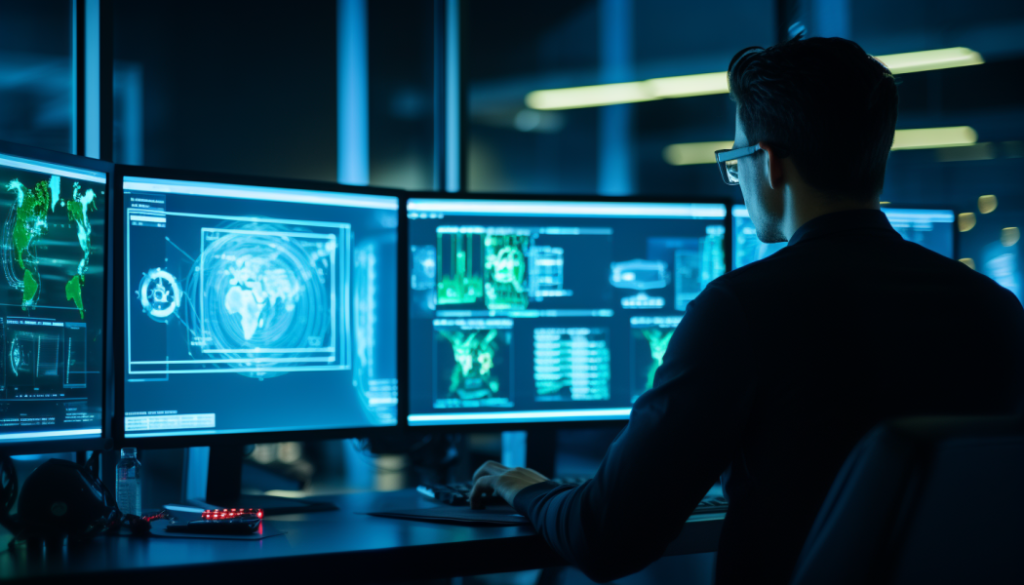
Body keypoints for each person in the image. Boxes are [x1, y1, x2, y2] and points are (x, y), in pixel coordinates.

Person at [467, 36, 1024, 584]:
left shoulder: (742, 309)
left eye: (736, 162)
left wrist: (528, 488)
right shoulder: (997, 310)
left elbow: (607, 535)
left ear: (770, 163)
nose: (738, 182)